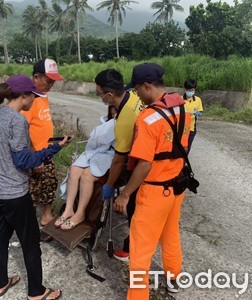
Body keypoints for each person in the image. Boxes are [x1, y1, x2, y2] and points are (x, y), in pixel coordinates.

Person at [0, 74, 67, 300]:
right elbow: (23, 161)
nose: (35, 100)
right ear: (24, 96)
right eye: (34, 96)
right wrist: (55, 147)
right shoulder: (18, 120)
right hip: (14, 194)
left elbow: (2, 152)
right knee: (30, 242)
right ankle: (37, 292)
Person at [114, 63, 191, 300]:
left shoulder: (148, 119)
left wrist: (125, 194)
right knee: (170, 235)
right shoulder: (182, 108)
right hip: (177, 187)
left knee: (140, 250)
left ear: (147, 85)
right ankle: (174, 278)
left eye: (137, 90)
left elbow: (144, 164)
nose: (137, 95)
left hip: (155, 192)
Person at [94, 69, 143, 262]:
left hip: (142, 164)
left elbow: (118, 159)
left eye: (99, 94)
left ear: (109, 95)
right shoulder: (133, 96)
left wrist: (110, 184)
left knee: (134, 208)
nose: (100, 98)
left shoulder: (124, 119)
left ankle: (132, 249)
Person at [20, 58, 64, 241]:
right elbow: (23, 129)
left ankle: (46, 217)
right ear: (36, 77)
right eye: (48, 80)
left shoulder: (43, 96)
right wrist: (34, 157)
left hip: (46, 152)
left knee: (49, 184)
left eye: (53, 80)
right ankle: (29, 227)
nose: (51, 84)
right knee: (31, 190)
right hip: (35, 155)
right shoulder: (30, 98)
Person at [55, 105, 117, 230]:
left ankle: (80, 213)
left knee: (87, 175)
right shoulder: (105, 121)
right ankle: (68, 209)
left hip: (112, 155)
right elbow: (95, 141)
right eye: (113, 109)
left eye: (117, 109)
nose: (115, 112)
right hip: (97, 152)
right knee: (74, 170)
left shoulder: (127, 122)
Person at [183, 79, 203, 153]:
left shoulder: (198, 100)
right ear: (185, 89)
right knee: (180, 147)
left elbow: (200, 112)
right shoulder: (179, 99)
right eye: (188, 90)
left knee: (187, 148)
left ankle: (183, 162)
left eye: (192, 90)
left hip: (191, 128)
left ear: (194, 89)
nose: (190, 92)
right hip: (181, 128)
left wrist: (196, 113)